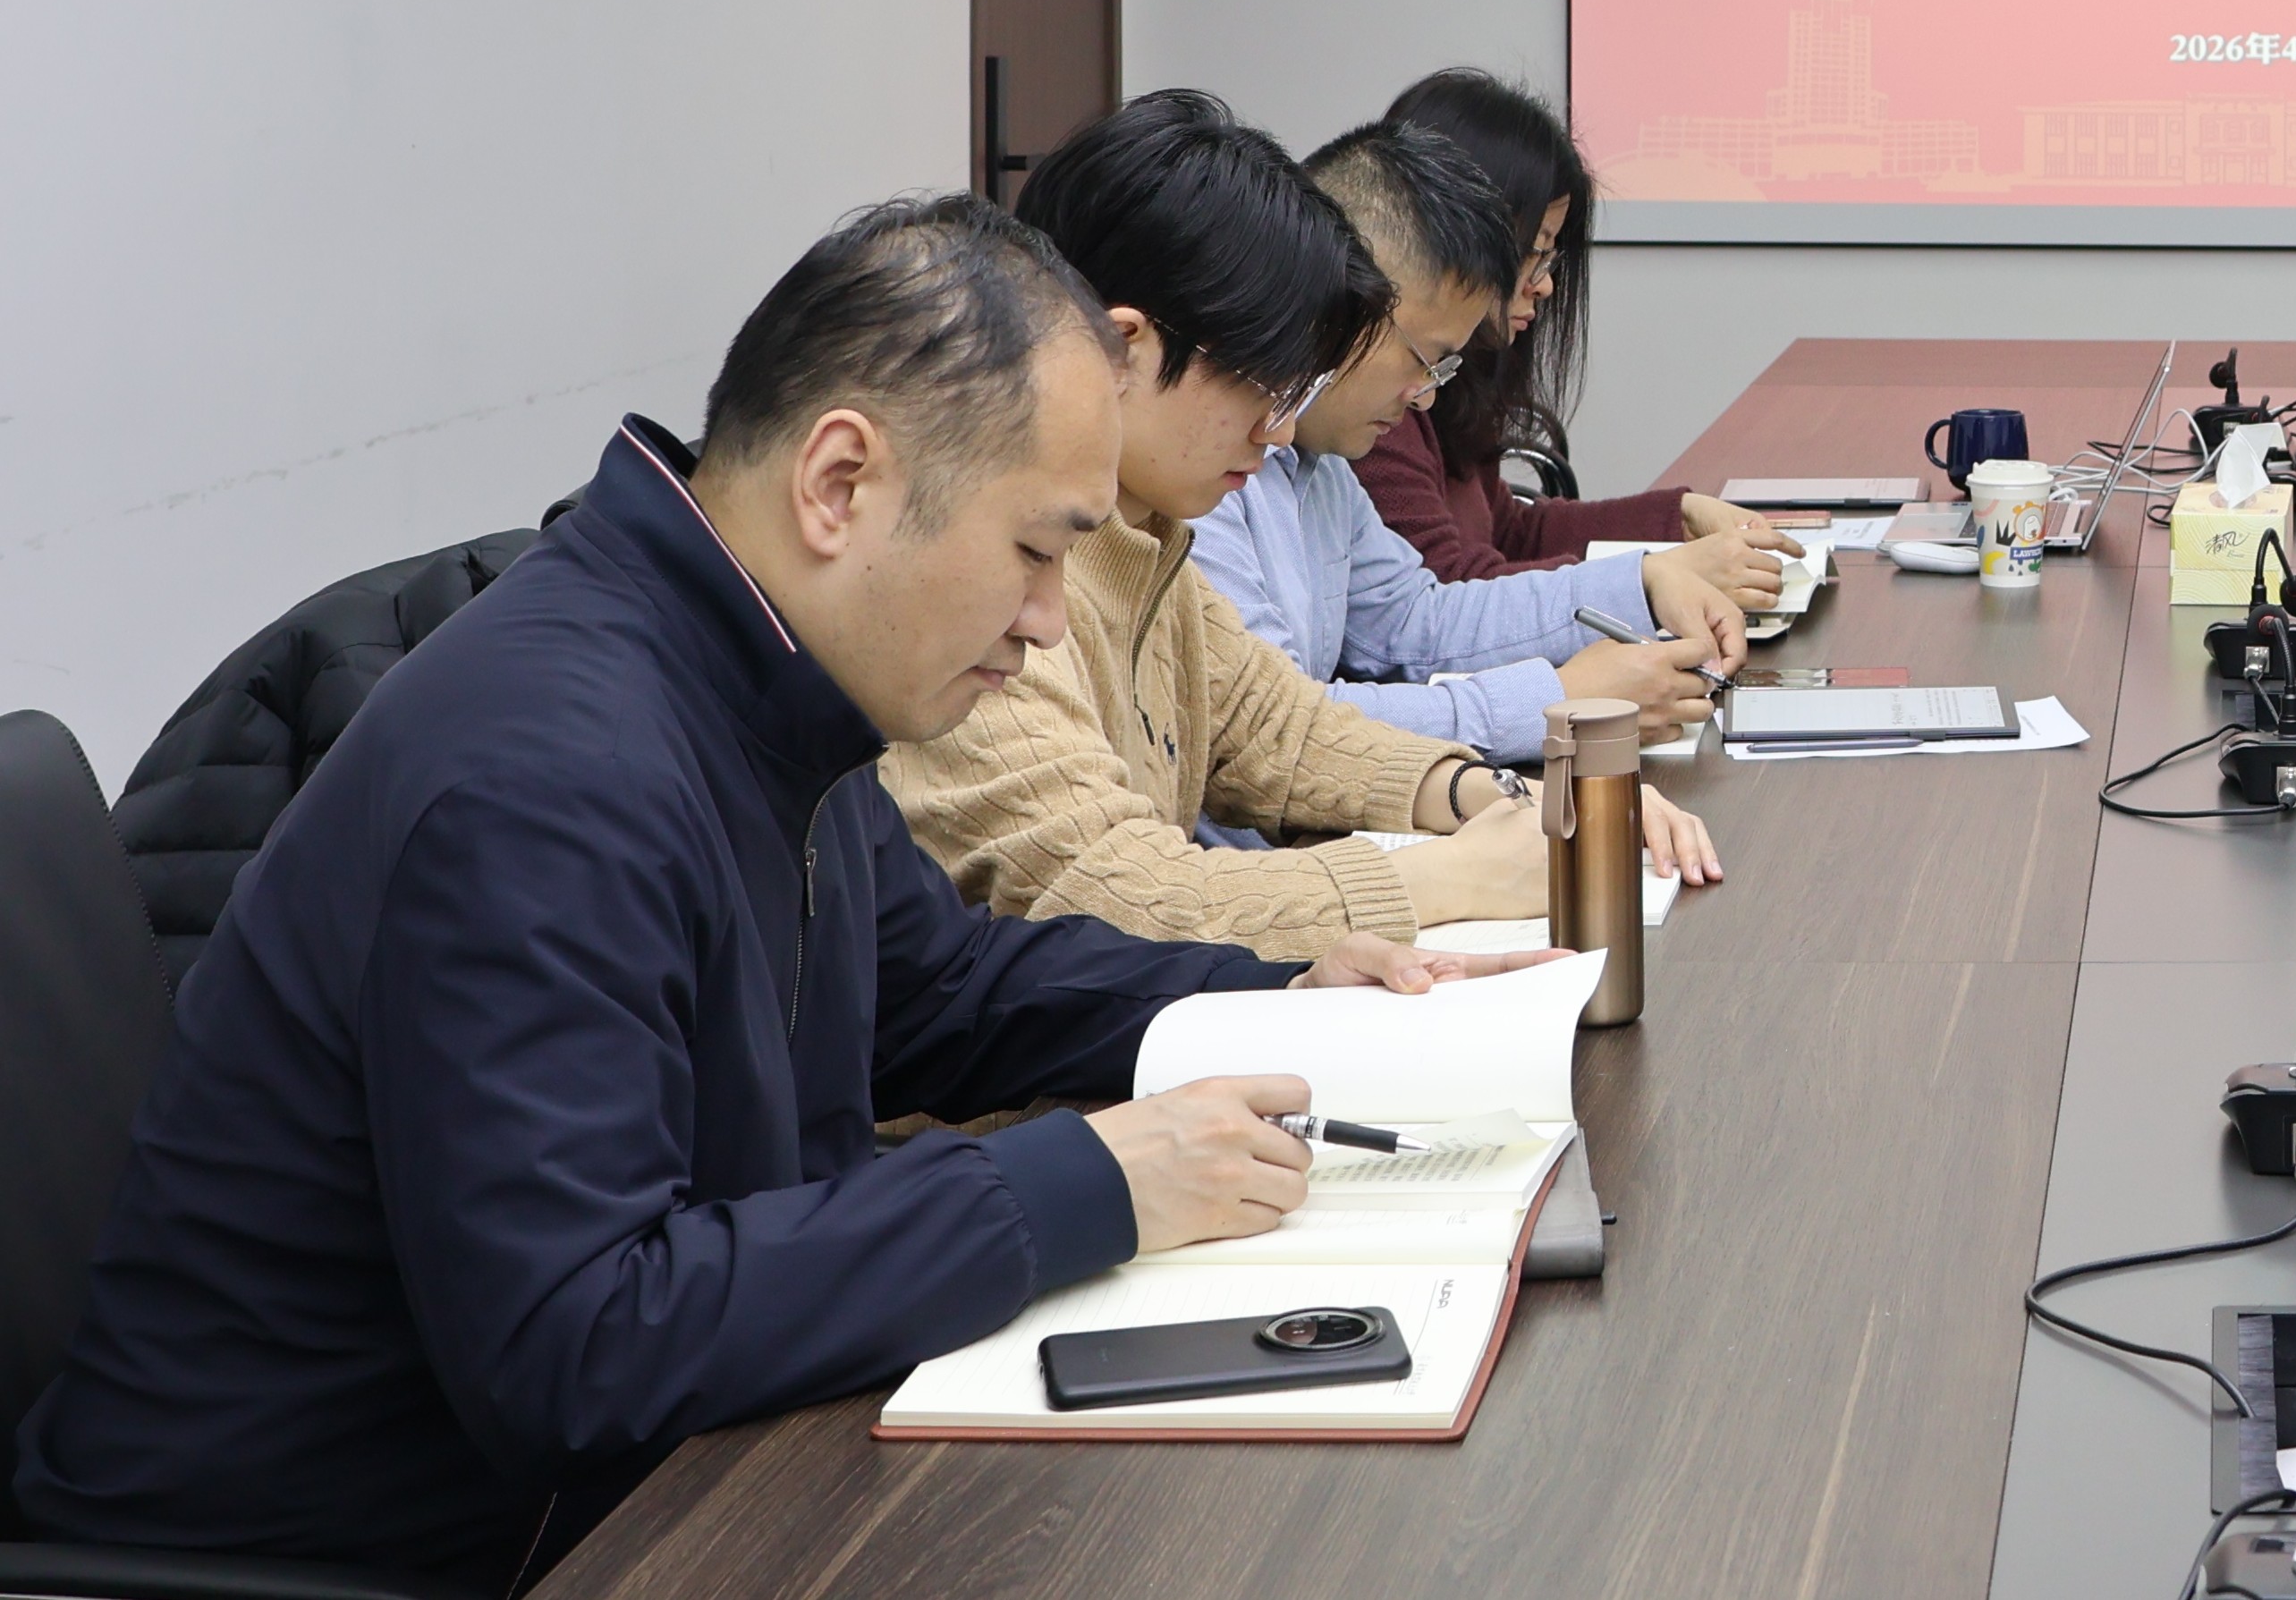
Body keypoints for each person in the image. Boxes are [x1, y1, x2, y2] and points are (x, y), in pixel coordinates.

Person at [12, 195, 1528, 1586]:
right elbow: (577, 1341)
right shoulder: (549, 772)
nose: (1049, 623)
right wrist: (1082, 1181)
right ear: (840, 481)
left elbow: (935, 993)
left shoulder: (761, 680)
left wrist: (1275, 997)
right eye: (1032, 550)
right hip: (349, 1557)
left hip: (599, 1494)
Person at [881, 90, 1707, 954]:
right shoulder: (982, 581)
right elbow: (1100, 887)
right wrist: (1447, 878)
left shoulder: (1146, 541)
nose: (1278, 433)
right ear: (1123, 350)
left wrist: (1495, 800)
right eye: (1266, 385)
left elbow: (1283, 731)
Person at [1190, 116, 1750, 764]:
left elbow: (1413, 623)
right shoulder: (1203, 474)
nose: (1425, 397)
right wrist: (1556, 702)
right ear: (1343, 300)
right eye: (1424, 359)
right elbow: (1278, 734)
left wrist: (1639, 584)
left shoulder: (1317, 459)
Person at [1355, 66, 1783, 609]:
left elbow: (1509, 533)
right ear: (1455, 234)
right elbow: (1446, 594)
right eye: (1535, 250)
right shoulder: (1380, 401)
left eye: (1550, 255)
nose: (1546, 284)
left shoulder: (1451, 381)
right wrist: (1648, 577)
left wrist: (1676, 518)